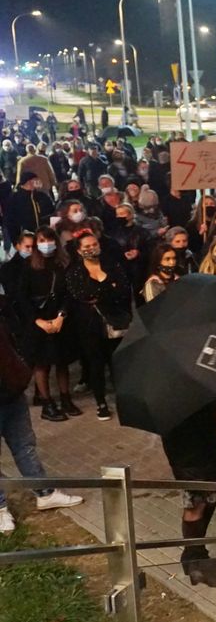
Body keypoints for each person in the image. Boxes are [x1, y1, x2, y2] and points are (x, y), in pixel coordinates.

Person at [0, 304, 84, 534]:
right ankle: (0, 509)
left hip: (11, 391)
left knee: (25, 446)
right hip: (10, 388)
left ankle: (45, 493)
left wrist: (20, 371)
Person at [65, 229, 132, 421]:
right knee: (96, 364)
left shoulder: (112, 265)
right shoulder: (74, 271)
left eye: (94, 244)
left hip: (114, 322)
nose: (92, 249)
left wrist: (99, 293)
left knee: (117, 362)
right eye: (87, 246)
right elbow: (81, 294)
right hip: (89, 326)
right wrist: (108, 288)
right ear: (79, 251)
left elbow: (123, 289)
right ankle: (101, 402)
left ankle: (123, 398)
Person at [15, 228, 79, 420]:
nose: (47, 244)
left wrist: (61, 315)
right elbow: (22, 297)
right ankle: (47, 403)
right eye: (42, 240)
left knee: (62, 361)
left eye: (50, 239)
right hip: (38, 320)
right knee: (42, 364)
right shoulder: (29, 265)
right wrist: (38, 321)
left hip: (60, 318)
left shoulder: (63, 263)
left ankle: (65, 398)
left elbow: (68, 293)